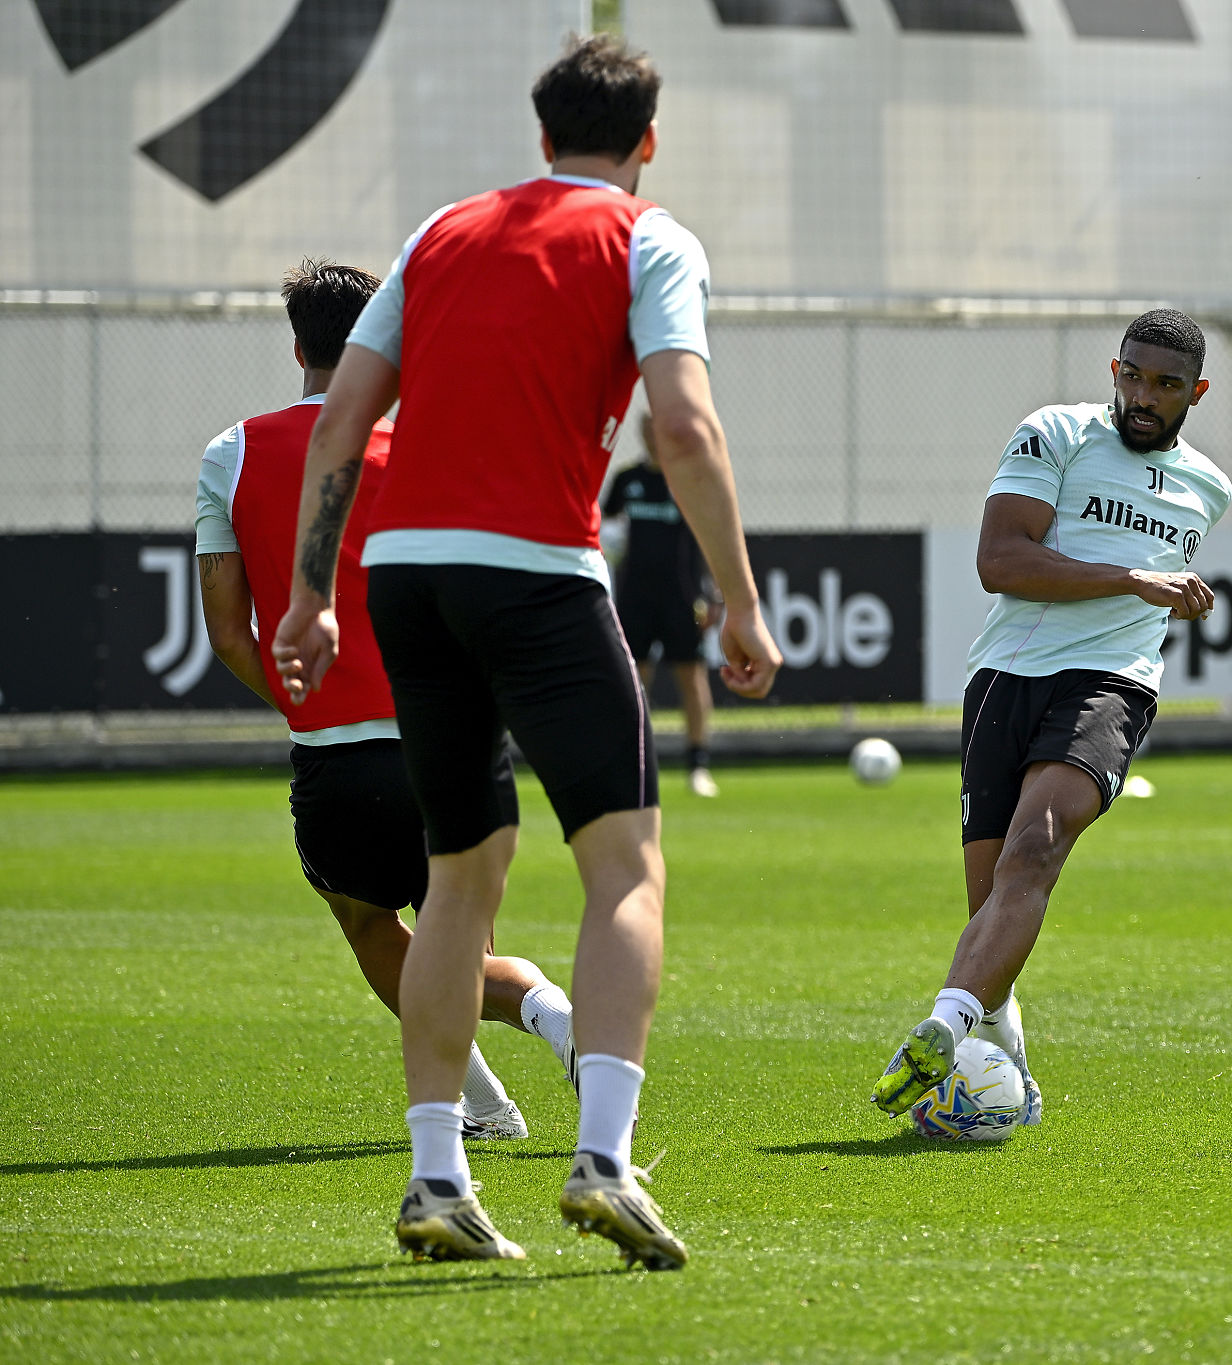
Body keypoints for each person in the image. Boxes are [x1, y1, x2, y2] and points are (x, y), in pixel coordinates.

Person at [271, 36, 780, 1267]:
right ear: (646, 141)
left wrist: (306, 596)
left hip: (402, 575)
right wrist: (740, 600)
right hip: (538, 572)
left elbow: (343, 417)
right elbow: (684, 424)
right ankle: (603, 1157)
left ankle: (437, 1177)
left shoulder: (440, 233)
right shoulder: (648, 237)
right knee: (623, 869)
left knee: (460, 878)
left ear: (539, 131)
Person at [194, 259, 576, 1143]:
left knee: (370, 919)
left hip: (338, 754)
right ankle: (540, 1029)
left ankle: (500, 1078)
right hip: (455, 740)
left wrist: (303, 701)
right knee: (463, 933)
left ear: (297, 345)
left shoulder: (232, 451)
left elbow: (227, 631)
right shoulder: (438, 443)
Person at [869, 309, 1232, 1122]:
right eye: (1133, 376)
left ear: (1195, 393)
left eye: (1166, 385)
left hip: (1112, 683)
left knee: (1035, 853)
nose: (1144, 396)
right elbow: (1001, 561)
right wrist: (1139, 579)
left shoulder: (1210, 486)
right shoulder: (1054, 433)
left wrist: (1151, 594)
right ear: (1114, 369)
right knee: (991, 909)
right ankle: (1012, 1077)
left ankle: (942, 1025)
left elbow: (1147, 594)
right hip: (1006, 678)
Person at [602, 415, 723, 797]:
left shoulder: (687, 478)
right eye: (650, 429)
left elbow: (710, 537)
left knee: (692, 678)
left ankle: (698, 766)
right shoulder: (626, 481)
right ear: (643, 433)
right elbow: (602, 529)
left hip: (682, 598)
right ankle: (633, 766)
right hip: (635, 597)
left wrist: (716, 592)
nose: (658, 436)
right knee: (635, 683)